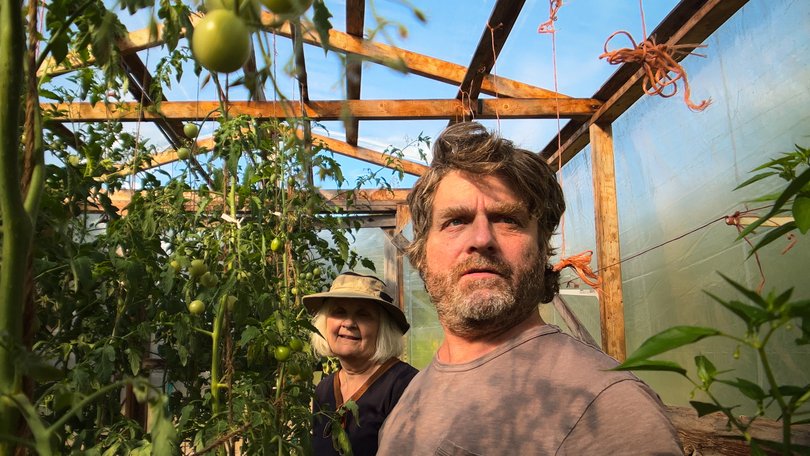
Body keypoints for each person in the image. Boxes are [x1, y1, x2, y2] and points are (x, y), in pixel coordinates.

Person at [376, 122, 683, 454]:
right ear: (421, 253)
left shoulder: (607, 407)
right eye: (456, 221)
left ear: (541, 249)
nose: (481, 240)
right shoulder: (418, 389)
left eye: (507, 219)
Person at [304, 271, 418, 456]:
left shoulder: (405, 386)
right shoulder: (324, 390)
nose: (348, 322)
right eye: (339, 312)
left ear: (383, 328)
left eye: (363, 314)